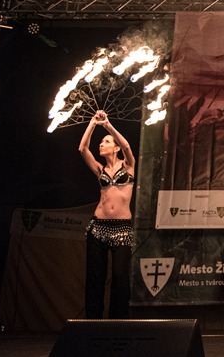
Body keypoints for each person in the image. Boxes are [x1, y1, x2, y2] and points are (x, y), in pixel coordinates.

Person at [78, 110, 135, 319]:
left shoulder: (128, 166)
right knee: (95, 277)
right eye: (101, 141)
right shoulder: (99, 170)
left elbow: (127, 146)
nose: (101, 144)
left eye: (106, 141)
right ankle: (93, 323)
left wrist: (108, 124)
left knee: (119, 275)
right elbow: (82, 149)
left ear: (116, 148)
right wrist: (93, 123)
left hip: (122, 228)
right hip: (98, 227)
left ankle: (117, 322)